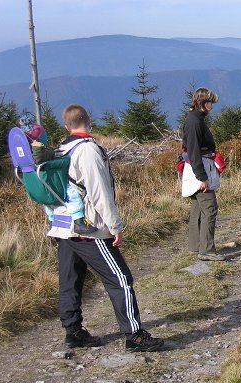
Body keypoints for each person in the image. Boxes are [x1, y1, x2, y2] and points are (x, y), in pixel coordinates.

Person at [54, 104, 164, 351]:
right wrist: (114, 225)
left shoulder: (60, 149)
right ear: (89, 119)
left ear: (66, 125)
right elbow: (99, 191)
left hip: (62, 224)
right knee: (120, 278)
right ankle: (134, 336)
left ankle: (73, 332)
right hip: (88, 228)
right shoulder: (88, 150)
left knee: (70, 280)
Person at [19, 115, 96, 234]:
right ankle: (78, 221)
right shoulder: (38, 151)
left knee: (48, 204)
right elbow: (40, 159)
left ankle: (53, 222)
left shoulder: (24, 155)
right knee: (71, 193)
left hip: (36, 187)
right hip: (49, 182)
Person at [181, 87, 222, 260]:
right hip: (199, 171)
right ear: (202, 102)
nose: (212, 105)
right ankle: (207, 250)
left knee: (198, 209)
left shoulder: (196, 119)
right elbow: (194, 153)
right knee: (210, 208)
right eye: (210, 102)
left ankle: (196, 245)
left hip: (197, 169)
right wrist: (202, 177)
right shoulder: (194, 122)